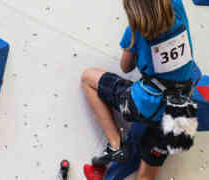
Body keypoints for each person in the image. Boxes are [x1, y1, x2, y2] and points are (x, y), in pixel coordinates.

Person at [81, 0, 198, 179]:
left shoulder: (135, 32)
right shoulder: (178, 6)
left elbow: (125, 67)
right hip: (178, 111)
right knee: (146, 176)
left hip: (144, 106)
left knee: (88, 78)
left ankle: (115, 146)